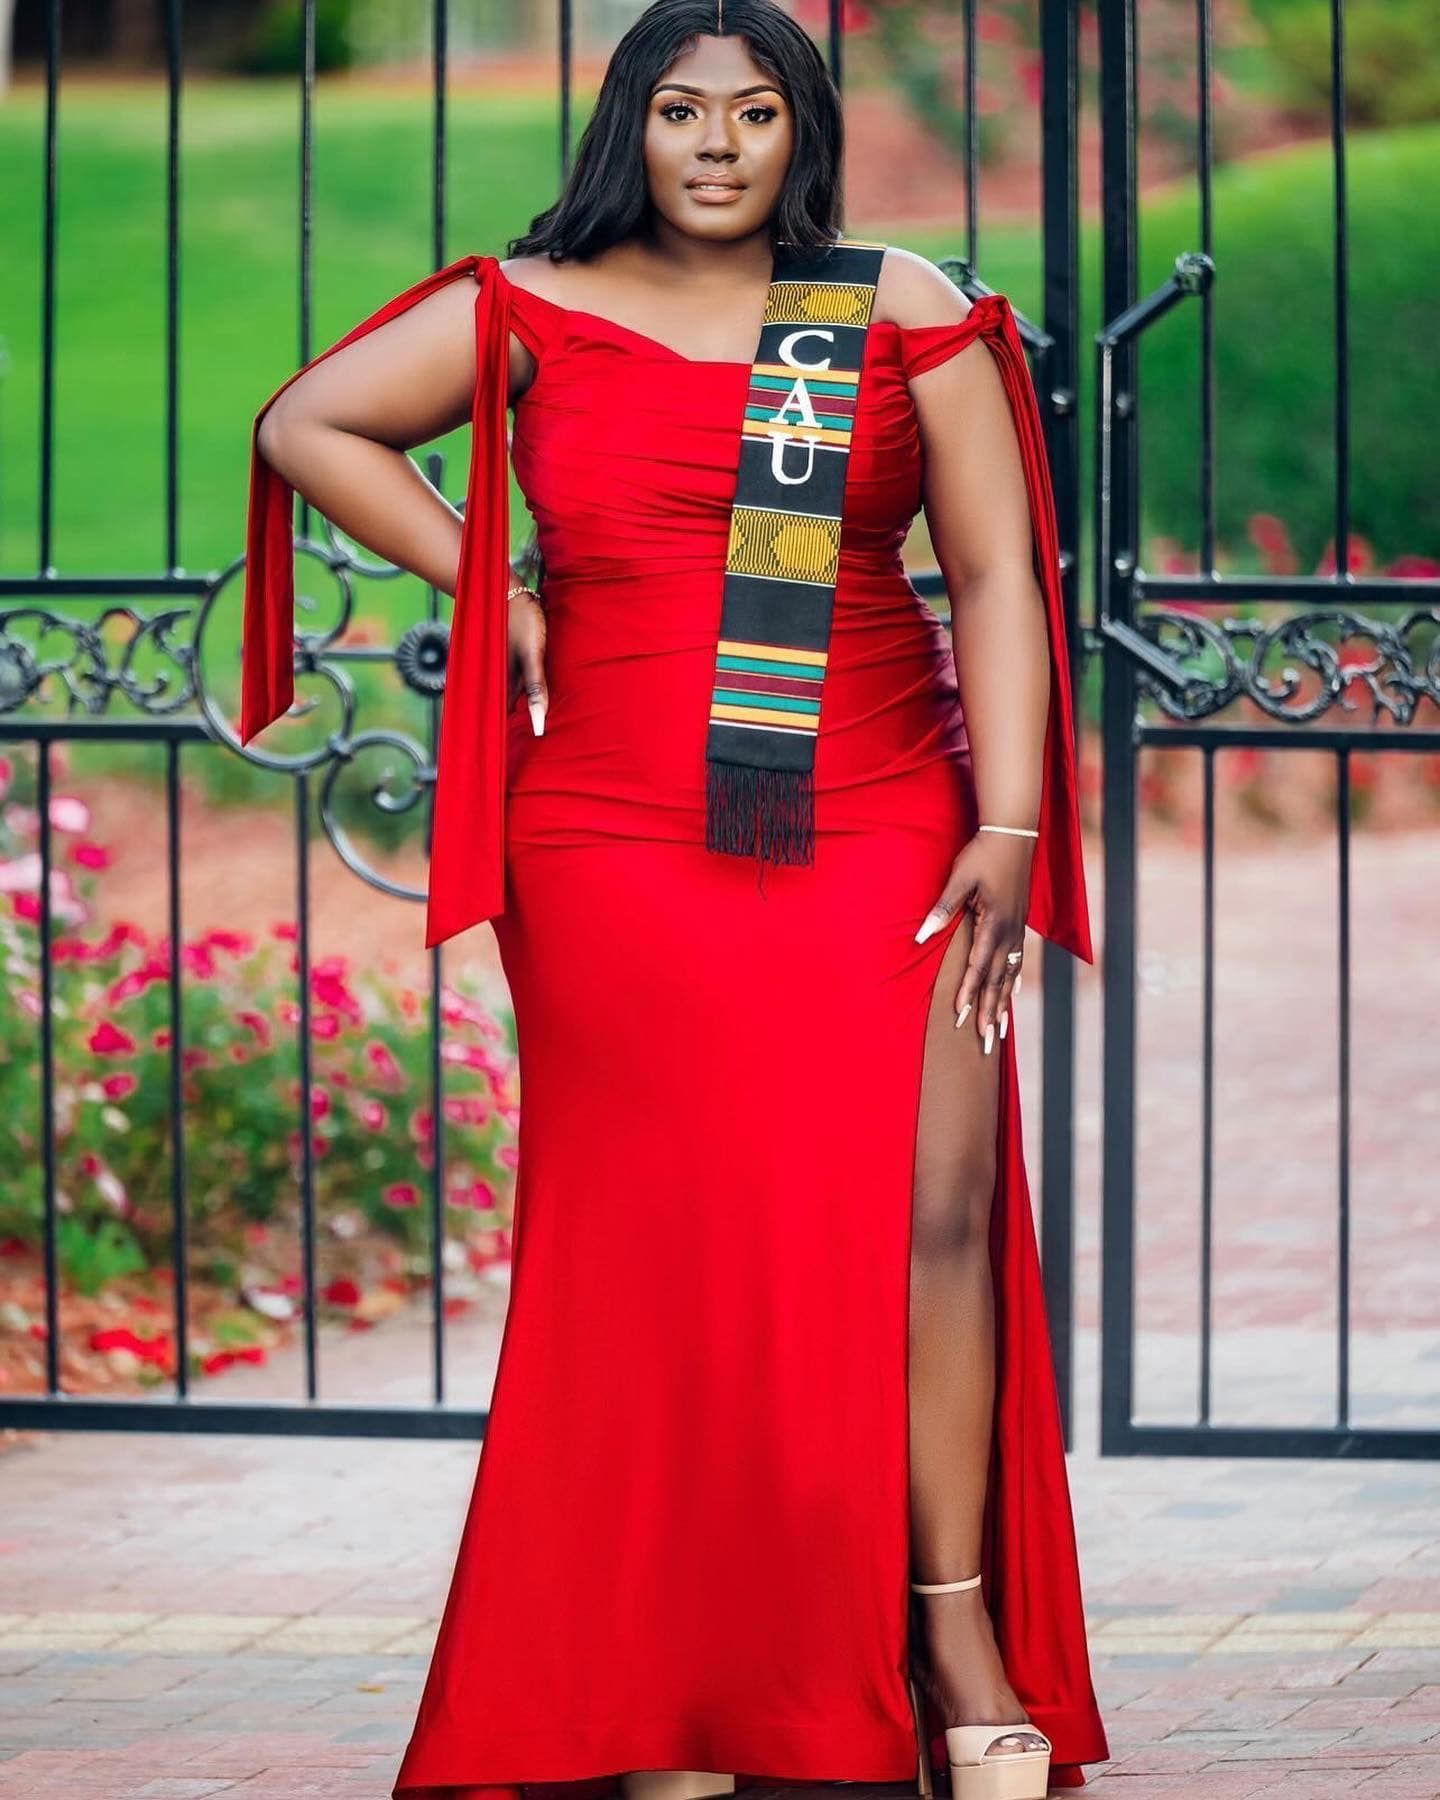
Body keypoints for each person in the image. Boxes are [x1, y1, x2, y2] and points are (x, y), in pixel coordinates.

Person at [239, 3, 1109, 1796]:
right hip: (619, 837)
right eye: (683, 111)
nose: (719, 146)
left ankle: (949, 1629)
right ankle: (674, 1689)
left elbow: (1003, 574)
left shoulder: (892, 306)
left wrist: (1009, 828)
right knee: (657, 1260)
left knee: (927, 1213)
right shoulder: (528, 302)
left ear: (805, 136)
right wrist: (513, 599)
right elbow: (308, 421)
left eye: (760, 113)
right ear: (630, 126)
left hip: (872, 808)